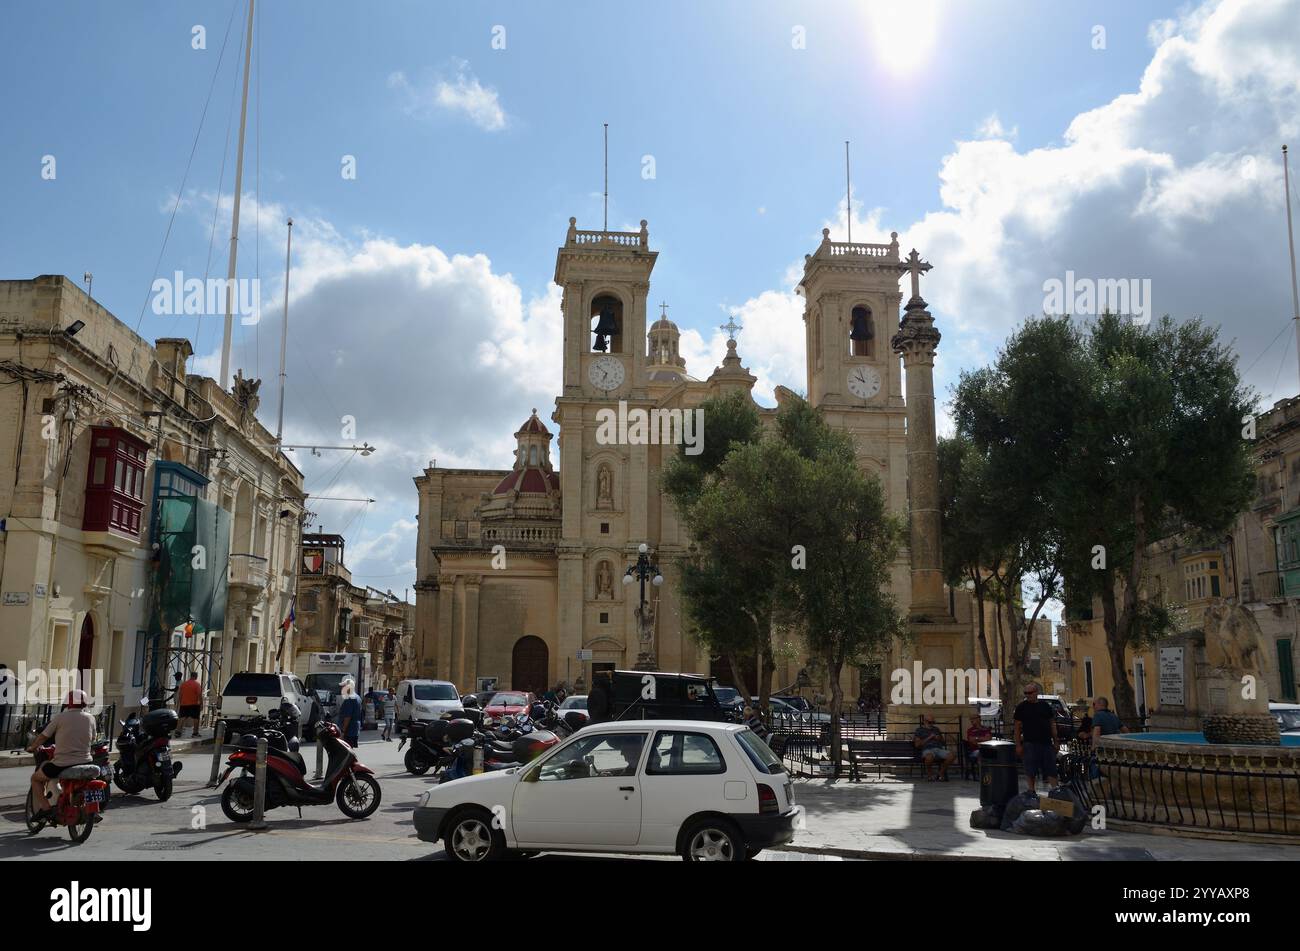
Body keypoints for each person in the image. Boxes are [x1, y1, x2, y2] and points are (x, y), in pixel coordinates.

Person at [26, 690, 96, 821]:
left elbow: (42, 737)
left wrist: (32, 747)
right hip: (86, 761)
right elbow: (93, 738)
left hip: (62, 763)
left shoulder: (60, 718)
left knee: (35, 779)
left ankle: (46, 809)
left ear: (69, 702)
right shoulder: (91, 718)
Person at [1014, 682, 1059, 793]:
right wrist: (1018, 745)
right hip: (1030, 742)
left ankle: (1055, 790)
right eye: (1026, 693)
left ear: (1036, 692)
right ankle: (1031, 790)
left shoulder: (1045, 706)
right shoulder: (1021, 707)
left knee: (1051, 768)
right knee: (1030, 769)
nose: (1027, 695)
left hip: (1046, 742)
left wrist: (1056, 741)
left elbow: (1052, 724)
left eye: (1030, 693)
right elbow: (1017, 728)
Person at [913, 714, 955, 781]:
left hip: (938, 749)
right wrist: (929, 737)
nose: (931, 724)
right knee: (929, 757)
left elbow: (943, 741)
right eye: (930, 722)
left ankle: (940, 773)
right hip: (927, 749)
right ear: (924, 721)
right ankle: (930, 774)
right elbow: (917, 745)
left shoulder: (936, 729)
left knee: (951, 755)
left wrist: (939, 738)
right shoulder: (919, 730)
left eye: (933, 722)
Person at [965, 711, 993, 777]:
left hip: (986, 749)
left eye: (973, 718)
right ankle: (982, 775)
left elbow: (989, 739)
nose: (971, 720)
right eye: (971, 719)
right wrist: (983, 739)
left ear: (978, 719)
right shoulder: (970, 730)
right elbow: (972, 740)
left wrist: (977, 738)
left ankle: (992, 773)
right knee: (980, 753)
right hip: (975, 751)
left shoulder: (986, 729)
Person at [336, 678, 362, 748]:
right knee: (350, 751)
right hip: (354, 729)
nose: (342, 688)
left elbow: (347, 717)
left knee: (345, 752)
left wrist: (343, 732)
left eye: (343, 687)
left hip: (349, 731)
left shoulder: (350, 699)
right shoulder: (357, 697)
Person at [176, 671, 203, 739]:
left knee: (182, 718)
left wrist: (179, 703)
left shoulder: (184, 684)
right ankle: (195, 733)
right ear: (195, 676)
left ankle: (178, 732)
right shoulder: (197, 684)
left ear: (191, 676)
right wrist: (201, 704)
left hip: (184, 704)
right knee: (196, 719)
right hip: (194, 704)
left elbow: (180, 694)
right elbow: (199, 695)